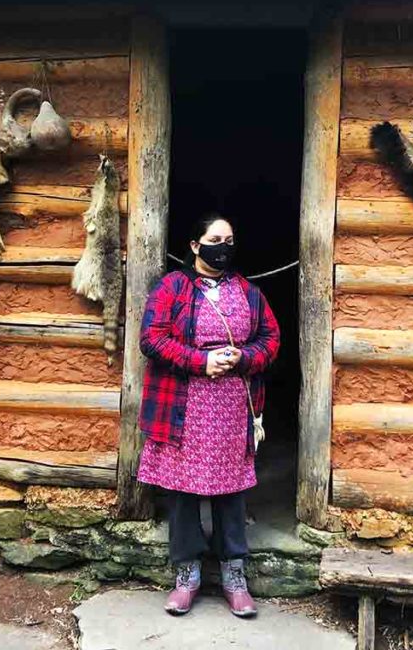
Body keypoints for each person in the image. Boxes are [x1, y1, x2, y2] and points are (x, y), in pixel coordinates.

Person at [136, 212, 281, 618]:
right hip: (183, 406)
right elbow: (152, 338)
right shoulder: (172, 288)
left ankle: (235, 576)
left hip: (233, 406)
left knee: (231, 491)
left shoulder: (250, 293)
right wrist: (200, 361)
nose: (224, 247)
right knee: (183, 492)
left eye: (230, 239)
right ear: (196, 245)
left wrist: (244, 357)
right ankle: (187, 576)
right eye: (215, 239)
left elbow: (271, 339)